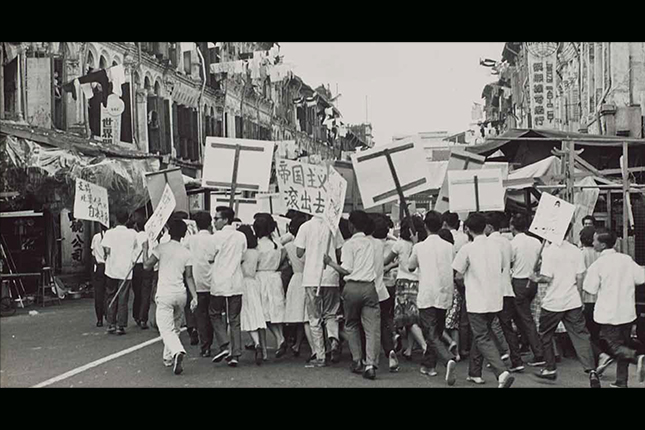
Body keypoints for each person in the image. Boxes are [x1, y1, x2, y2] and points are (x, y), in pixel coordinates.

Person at [529, 223, 600, 388]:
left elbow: (546, 277)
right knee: (581, 335)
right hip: (573, 300)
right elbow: (580, 276)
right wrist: (580, 297)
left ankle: (550, 368)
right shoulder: (576, 250)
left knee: (545, 334)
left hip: (553, 302)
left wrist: (535, 278)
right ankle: (591, 370)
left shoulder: (549, 251)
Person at [452, 213, 515, 388]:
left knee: (481, 336)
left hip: (476, 299)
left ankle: (501, 372)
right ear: (485, 226)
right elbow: (503, 267)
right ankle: (474, 372)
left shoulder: (467, 248)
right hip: (495, 298)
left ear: (467, 229)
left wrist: (465, 287)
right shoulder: (496, 247)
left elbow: (457, 274)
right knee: (481, 336)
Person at [583, 228, 645, 388]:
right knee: (624, 343)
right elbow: (640, 278)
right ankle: (621, 381)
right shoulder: (626, 260)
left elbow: (590, 288)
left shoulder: (598, 265)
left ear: (602, 245)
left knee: (611, 346)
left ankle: (637, 358)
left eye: (595, 240)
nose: (593, 242)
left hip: (608, 313)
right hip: (628, 311)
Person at [324, 210, 381, 380]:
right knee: (372, 328)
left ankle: (357, 360)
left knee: (351, 324)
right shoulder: (372, 243)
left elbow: (346, 269)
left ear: (351, 225)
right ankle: (370, 364)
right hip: (369, 287)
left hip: (352, 287)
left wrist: (330, 263)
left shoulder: (349, 244)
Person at [142, 219, 198, 375]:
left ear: (169, 231)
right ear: (183, 234)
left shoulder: (161, 248)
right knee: (175, 327)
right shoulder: (187, 252)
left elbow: (147, 266)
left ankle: (177, 351)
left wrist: (146, 248)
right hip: (181, 294)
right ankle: (168, 358)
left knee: (165, 328)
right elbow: (189, 277)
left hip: (165, 293)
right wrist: (195, 296)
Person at [408, 211, 458, 386]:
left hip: (428, 293)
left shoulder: (419, 247)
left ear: (425, 227)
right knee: (435, 332)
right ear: (441, 225)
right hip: (445, 292)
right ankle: (429, 365)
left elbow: (410, 266)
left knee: (430, 332)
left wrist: (415, 244)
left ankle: (447, 359)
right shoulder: (449, 247)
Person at [294, 214, 344, 366]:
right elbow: (339, 250)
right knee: (331, 314)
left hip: (311, 277)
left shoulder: (305, 227)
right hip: (330, 276)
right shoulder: (333, 227)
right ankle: (333, 338)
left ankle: (320, 355)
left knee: (314, 318)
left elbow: (299, 252)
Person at [486, 212, 525, 373]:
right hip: (507, 289)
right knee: (507, 326)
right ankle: (516, 359)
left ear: (489, 227)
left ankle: (496, 356)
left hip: (491, 290)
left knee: (484, 328)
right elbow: (510, 262)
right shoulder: (508, 242)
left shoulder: (487, 243)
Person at [384, 216, 428, 360]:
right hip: (419, 282)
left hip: (404, 283)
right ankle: (409, 349)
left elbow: (386, 260)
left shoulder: (399, 244)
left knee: (409, 319)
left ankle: (424, 346)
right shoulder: (422, 244)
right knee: (413, 317)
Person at [209, 206, 247, 367]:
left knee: (215, 313)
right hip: (236, 281)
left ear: (225, 219)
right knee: (234, 319)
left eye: (217, 218)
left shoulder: (217, 237)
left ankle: (224, 344)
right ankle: (235, 354)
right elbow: (243, 255)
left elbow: (210, 256)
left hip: (219, 280)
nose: (214, 221)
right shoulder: (241, 236)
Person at [509, 214, 546, 367]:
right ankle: (525, 343)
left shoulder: (513, 244)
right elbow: (540, 261)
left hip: (519, 282)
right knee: (520, 316)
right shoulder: (536, 242)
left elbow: (510, 263)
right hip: (532, 282)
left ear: (512, 226)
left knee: (525, 318)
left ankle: (539, 352)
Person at [579, 226, 614, 374]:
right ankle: (599, 356)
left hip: (586, 297)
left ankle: (596, 357)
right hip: (599, 298)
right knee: (595, 331)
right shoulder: (601, 255)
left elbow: (580, 277)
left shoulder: (580, 254)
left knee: (584, 331)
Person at [254, 214, 288, 359]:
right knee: (276, 312)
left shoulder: (256, 246)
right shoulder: (277, 244)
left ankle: (273, 343)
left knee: (262, 314)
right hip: (275, 277)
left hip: (261, 278)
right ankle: (280, 337)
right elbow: (284, 259)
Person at [183, 211, 216, 357]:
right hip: (214, 281)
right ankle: (214, 341)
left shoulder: (191, 240)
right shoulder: (215, 239)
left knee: (201, 315)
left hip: (196, 281)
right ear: (210, 223)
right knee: (214, 315)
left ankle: (205, 345)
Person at [369, 213, 399, 372]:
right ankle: (390, 350)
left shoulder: (369, 245)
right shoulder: (392, 244)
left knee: (370, 325)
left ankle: (368, 358)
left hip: (371, 289)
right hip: (385, 290)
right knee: (385, 321)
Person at [101, 208, 138, 335]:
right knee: (123, 297)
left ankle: (111, 323)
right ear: (128, 219)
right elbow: (136, 249)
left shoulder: (109, 233)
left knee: (110, 294)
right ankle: (120, 326)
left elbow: (106, 250)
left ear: (116, 219)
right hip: (126, 270)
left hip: (111, 268)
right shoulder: (132, 233)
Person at [283, 214, 314, 359]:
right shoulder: (310, 246)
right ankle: (305, 345)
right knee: (307, 315)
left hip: (295, 279)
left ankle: (297, 344)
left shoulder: (288, 246)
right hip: (308, 277)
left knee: (299, 316)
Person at [442, 211, 471, 359]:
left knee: (442, 319)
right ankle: (461, 349)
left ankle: (451, 347)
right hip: (462, 281)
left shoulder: (443, 243)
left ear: (445, 223)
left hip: (447, 285)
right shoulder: (465, 238)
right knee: (459, 319)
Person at [238, 224, 267, 365]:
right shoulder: (256, 252)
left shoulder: (241, 253)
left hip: (242, 284)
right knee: (256, 315)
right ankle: (258, 344)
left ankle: (250, 345)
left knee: (242, 316)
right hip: (254, 283)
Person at [131, 219, 148, 328]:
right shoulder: (149, 236)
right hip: (146, 266)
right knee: (145, 293)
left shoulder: (134, 236)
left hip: (135, 266)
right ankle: (143, 318)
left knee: (137, 292)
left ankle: (136, 315)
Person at [91, 223, 107, 327]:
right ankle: (108, 315)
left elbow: (93, 253)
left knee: (99, 293)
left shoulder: (96, 237)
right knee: (109, 291)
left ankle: (99, 319)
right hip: (108, 266)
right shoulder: (111, 237)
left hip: (99, 266)